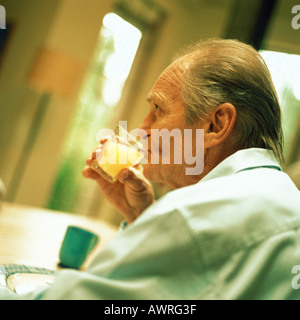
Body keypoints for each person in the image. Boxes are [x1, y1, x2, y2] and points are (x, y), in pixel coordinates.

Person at [1, 39, 300, 300]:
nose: (142, 130)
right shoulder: (281, 196)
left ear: (216, 125)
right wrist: (144, 219)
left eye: (158, 109)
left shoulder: (195, 215)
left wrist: (168, 223)